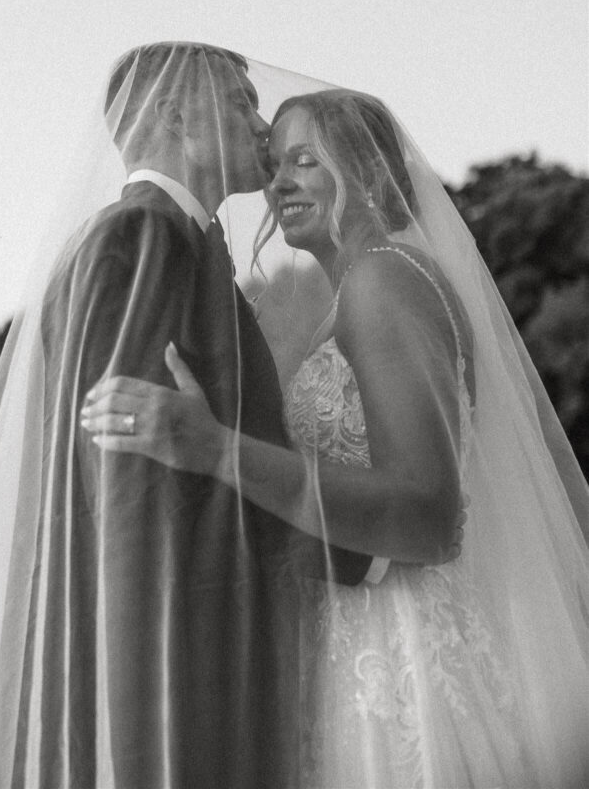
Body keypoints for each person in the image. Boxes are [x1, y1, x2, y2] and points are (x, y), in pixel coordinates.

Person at [0, 43, 452, 789]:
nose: (258, 128)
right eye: (239, 102)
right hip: (169, 655)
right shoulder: (135, 239)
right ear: (175, 114)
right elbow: (127, 482)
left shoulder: (189, 246)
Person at [83, 78, 589, 787]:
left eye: (304, 161)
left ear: (369, 174)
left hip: (398, 654)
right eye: (276, 160)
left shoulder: (385, 280)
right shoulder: (355, 292)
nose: (275, 179)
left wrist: (216, 450)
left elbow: (428, 515)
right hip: (350, 643)